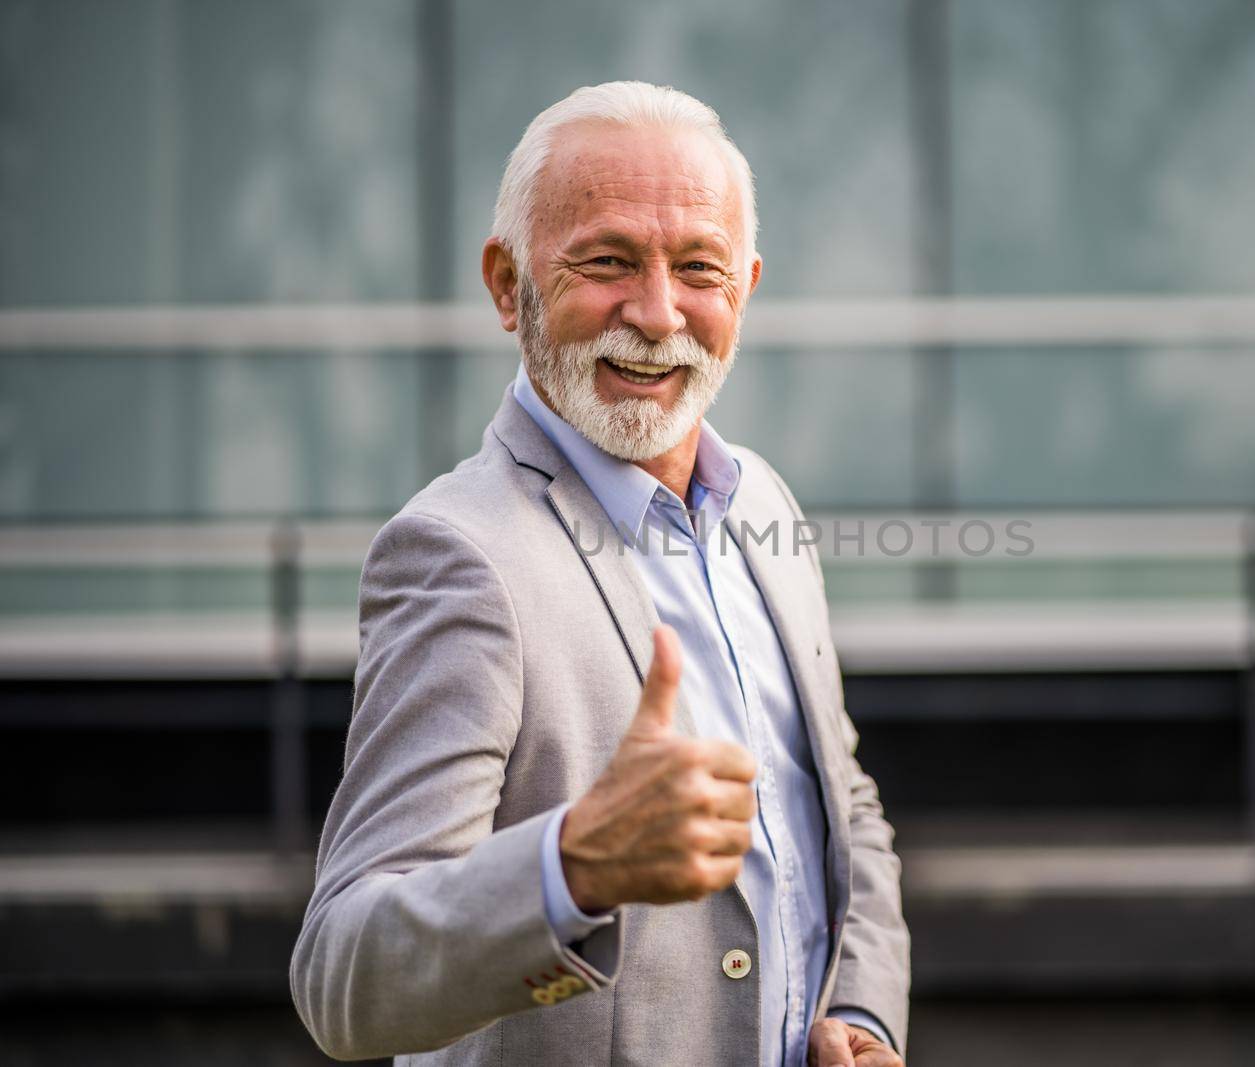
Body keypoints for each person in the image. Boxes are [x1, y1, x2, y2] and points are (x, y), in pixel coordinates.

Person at [290, 81, 910, 1066]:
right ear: (507, 284)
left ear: (743, 287)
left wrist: (864, 1013)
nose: (659, 313)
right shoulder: (457, 553)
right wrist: (571, 865)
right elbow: (345, 979)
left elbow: (844, 808)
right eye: (607, 261)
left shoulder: (762, 505)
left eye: (698, 269)